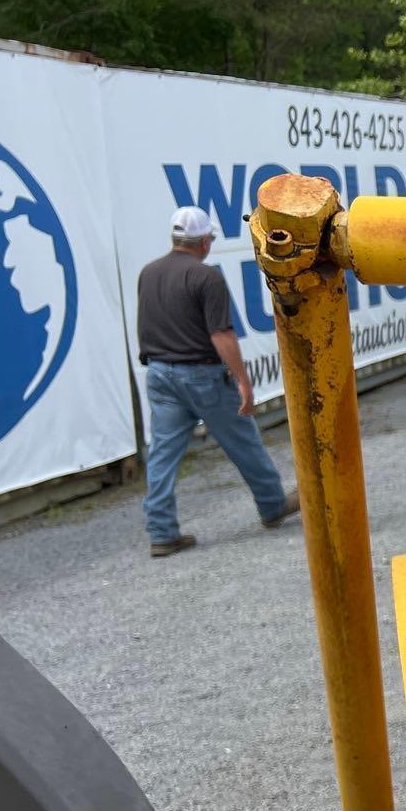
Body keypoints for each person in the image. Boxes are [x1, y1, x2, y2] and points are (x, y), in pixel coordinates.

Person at [137, 206, 297, 557]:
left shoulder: (148, 273)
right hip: (202, 375)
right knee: (243, 440)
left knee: (163, 454)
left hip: (160, 374)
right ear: (205, 241)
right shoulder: (206, 277)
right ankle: (272, 505)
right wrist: (243, 381)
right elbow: (220, 334)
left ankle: (162, 532)